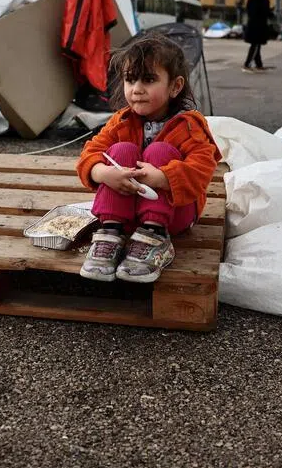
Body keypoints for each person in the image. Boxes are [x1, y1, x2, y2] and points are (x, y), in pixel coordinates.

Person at [76, 32, 221, 283]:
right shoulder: (122, 120)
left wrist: (164, 177)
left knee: (159, 151)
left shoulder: (188, 125)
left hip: (174, 217)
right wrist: (103, 173)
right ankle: (110, 233)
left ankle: (155, 238)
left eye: (149, 80)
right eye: (130, 79)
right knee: (120, 150)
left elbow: (203, 169)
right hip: (128, 215)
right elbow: (89, 154)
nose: (137, 89)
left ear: (175, 87)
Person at [242, 0, 272, 72]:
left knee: (256, 46)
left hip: (252, 25)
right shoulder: (263, 0)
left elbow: (249, 11)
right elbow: (265, 12)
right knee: (255, 46)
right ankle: (247, 64)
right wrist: (271, 14)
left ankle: (259, 65)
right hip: (259, 26)